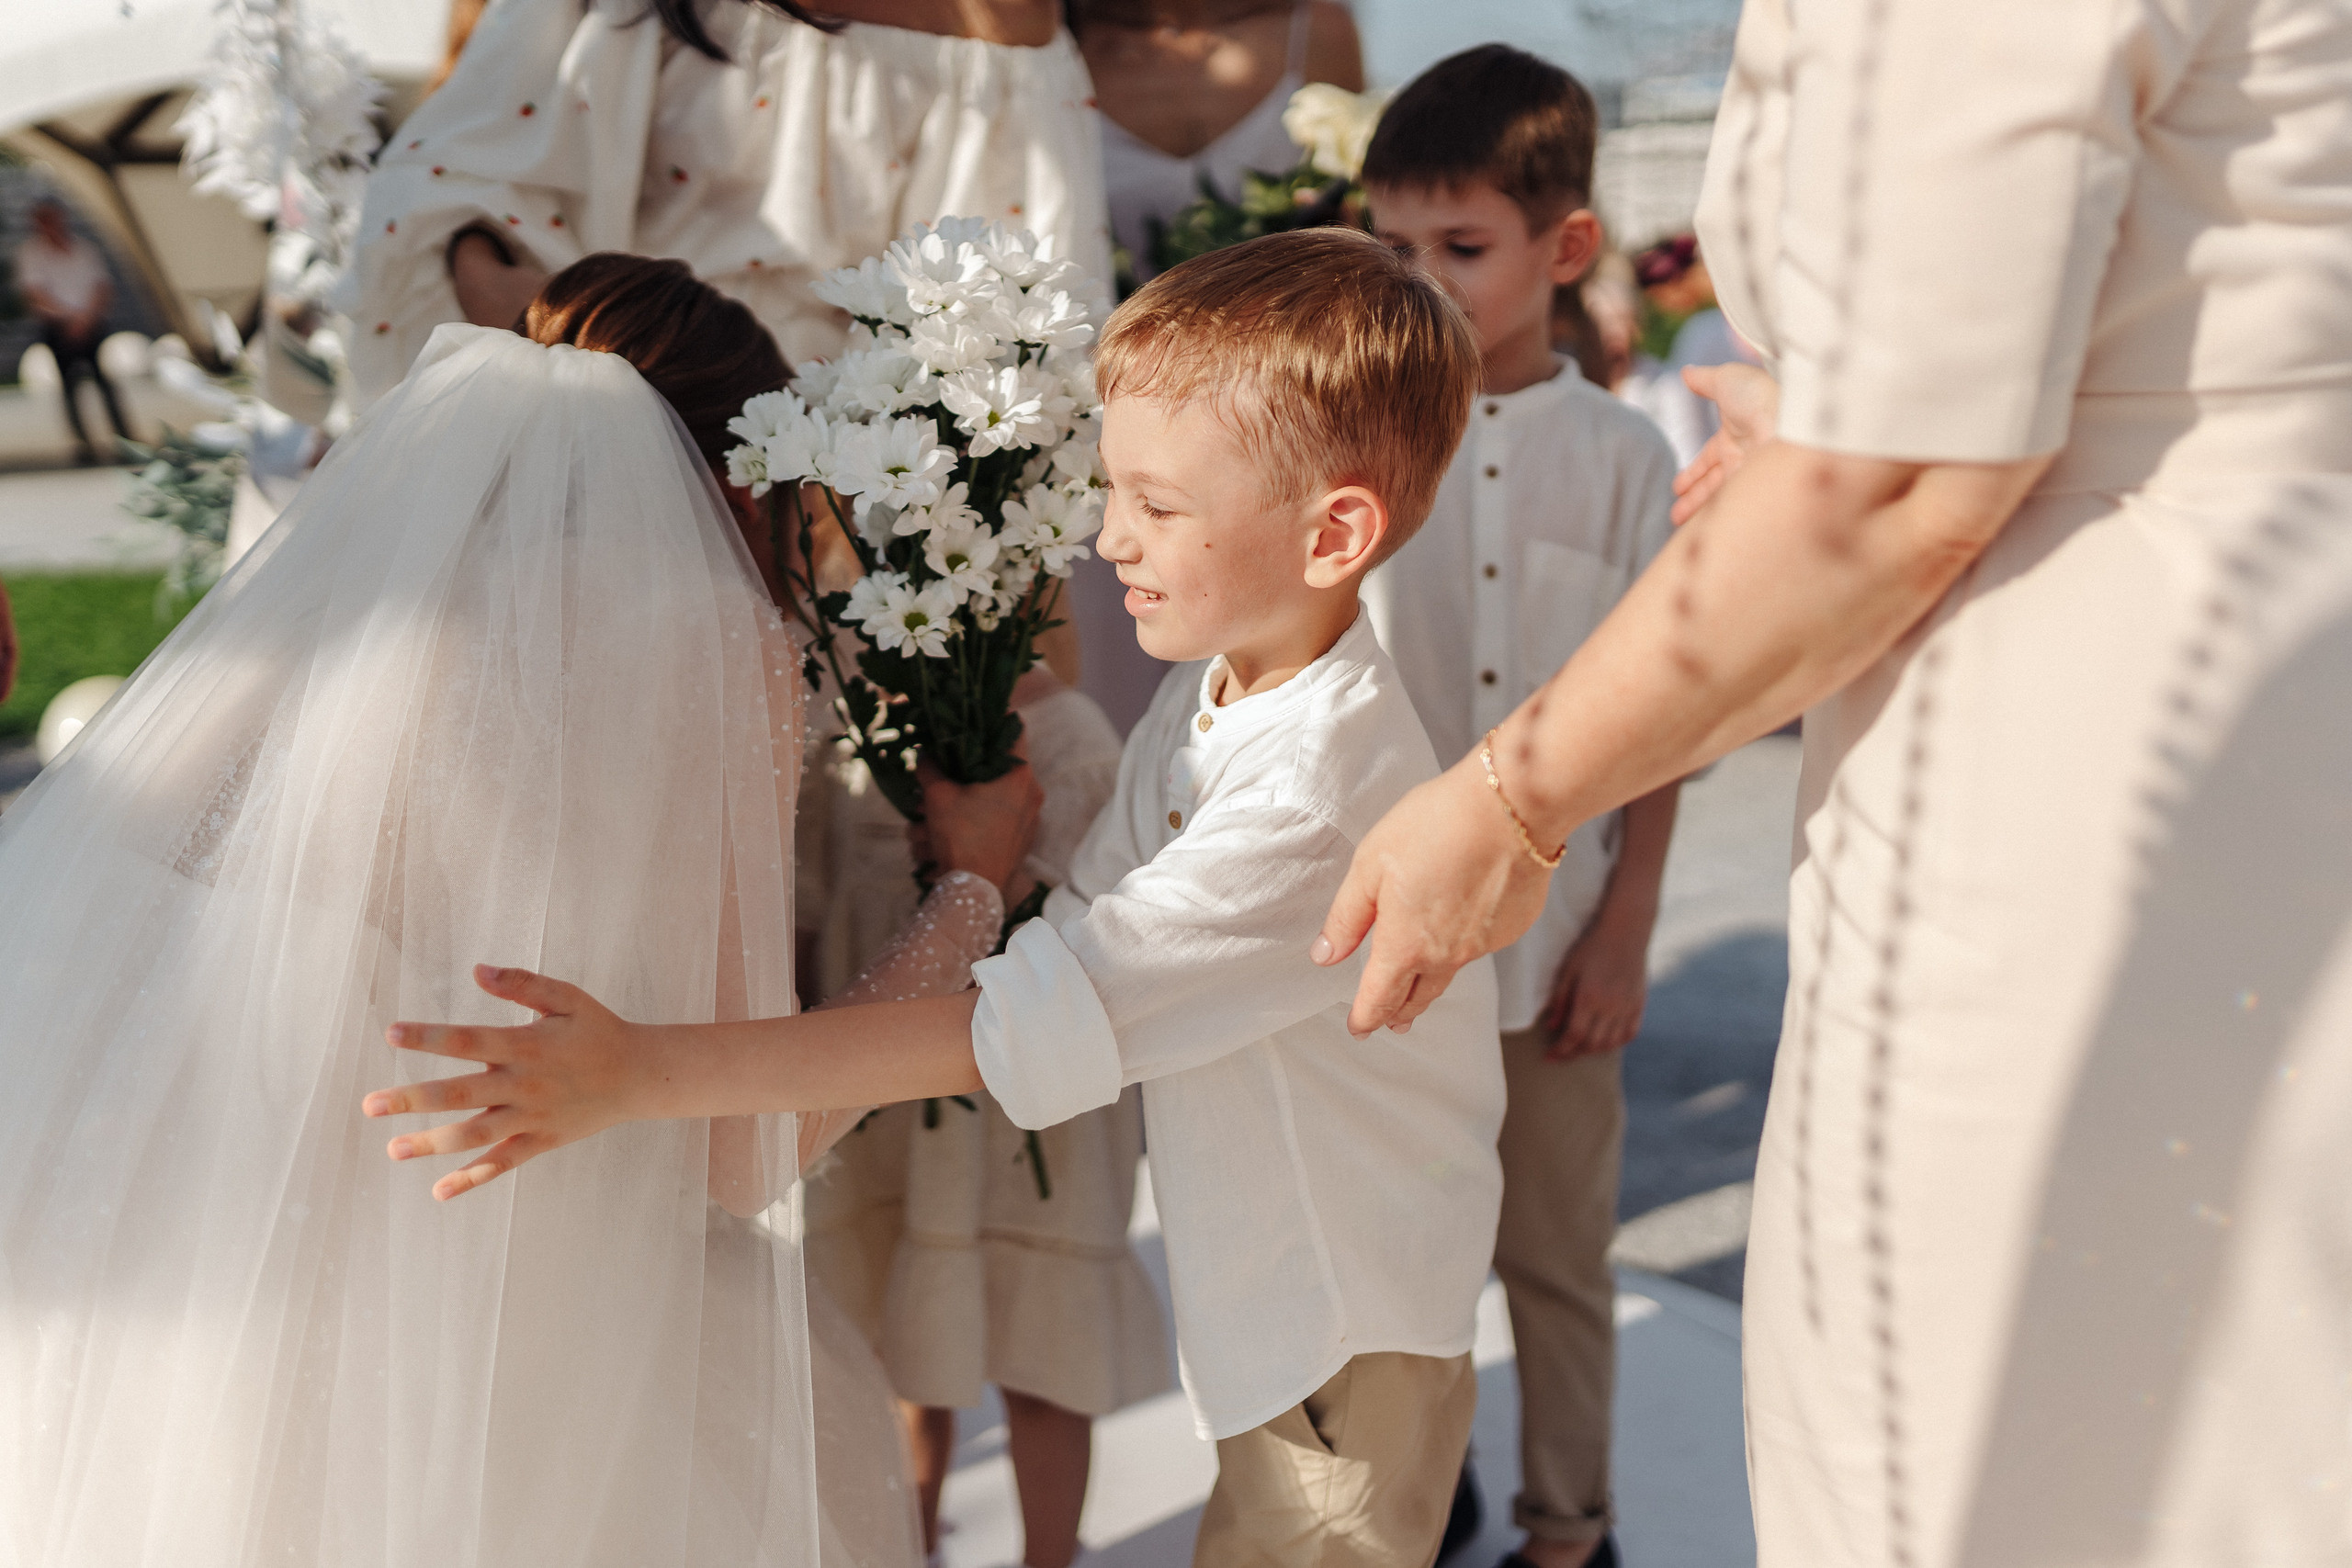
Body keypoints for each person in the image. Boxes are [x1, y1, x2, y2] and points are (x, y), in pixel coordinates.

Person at [1315, 0, 2352, 1561]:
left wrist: (1509, 801)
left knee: (2028, 1412)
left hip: (2100, 738)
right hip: (2245, 671)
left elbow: (1903, 486)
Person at [367, 227, 1500, 1568]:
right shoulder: (1222, 696)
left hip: (1344, 1322)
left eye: (1158, 504)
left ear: (1335, 531)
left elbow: (1009, 1018)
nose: (1104, 533)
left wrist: (633, 1071)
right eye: (1107, 488)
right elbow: (1079, 922)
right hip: (1282, 1310)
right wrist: (981, 868)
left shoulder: (1310, 799)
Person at [0, 253, 1039, 1566]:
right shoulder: (718, 650)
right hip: (500, 1303)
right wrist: (972, 889)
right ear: (737, 469)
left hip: (180, 1275)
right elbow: (742, 1145)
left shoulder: (342, 609)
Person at [1360, 46, 1681, 1568]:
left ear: (1565, 248)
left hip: (1558, 954)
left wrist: (1623, 924)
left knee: (1556, 1256)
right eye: (1393, 249)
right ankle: (1426, 1500)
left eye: (1460, 248)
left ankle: (1570, 1532)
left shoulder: (1628, 459)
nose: (1420, 282)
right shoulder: (1354, 449)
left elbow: (1666, 722)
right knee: (1399, 1261)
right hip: (1386, 956)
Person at [804, 663, 1173, 1568]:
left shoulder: (1072, 739)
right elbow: (812, 900)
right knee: (904, 1348)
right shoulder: (847, 733)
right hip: (889, 1109)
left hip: (1027, 1124)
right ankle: (907, 1548)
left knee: (1039, 1356)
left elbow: (1095, 930)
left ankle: (1049, 1555)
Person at [340, 0, 1110, 400]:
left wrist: (794, 488)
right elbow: (449, 195)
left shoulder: (994, 31)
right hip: (583, 399)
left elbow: (991, 319)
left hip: (815, 504)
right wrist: (593, 357)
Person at [1067, 0, 1365, 736]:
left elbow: (1359, 240)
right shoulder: (1057, 34)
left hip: (1271, 434)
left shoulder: (1316, 30)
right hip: (1099, 438)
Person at [16, 198, 130, 464]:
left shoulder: (83, 248)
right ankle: (83, 442)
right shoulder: (32, 253)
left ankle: (124, 437)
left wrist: (86, 318)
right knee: (69, 385)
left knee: (105, 382)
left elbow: (102, 287)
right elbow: (35, 293)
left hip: (90, 322)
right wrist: (69, 318)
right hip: (59, 325)